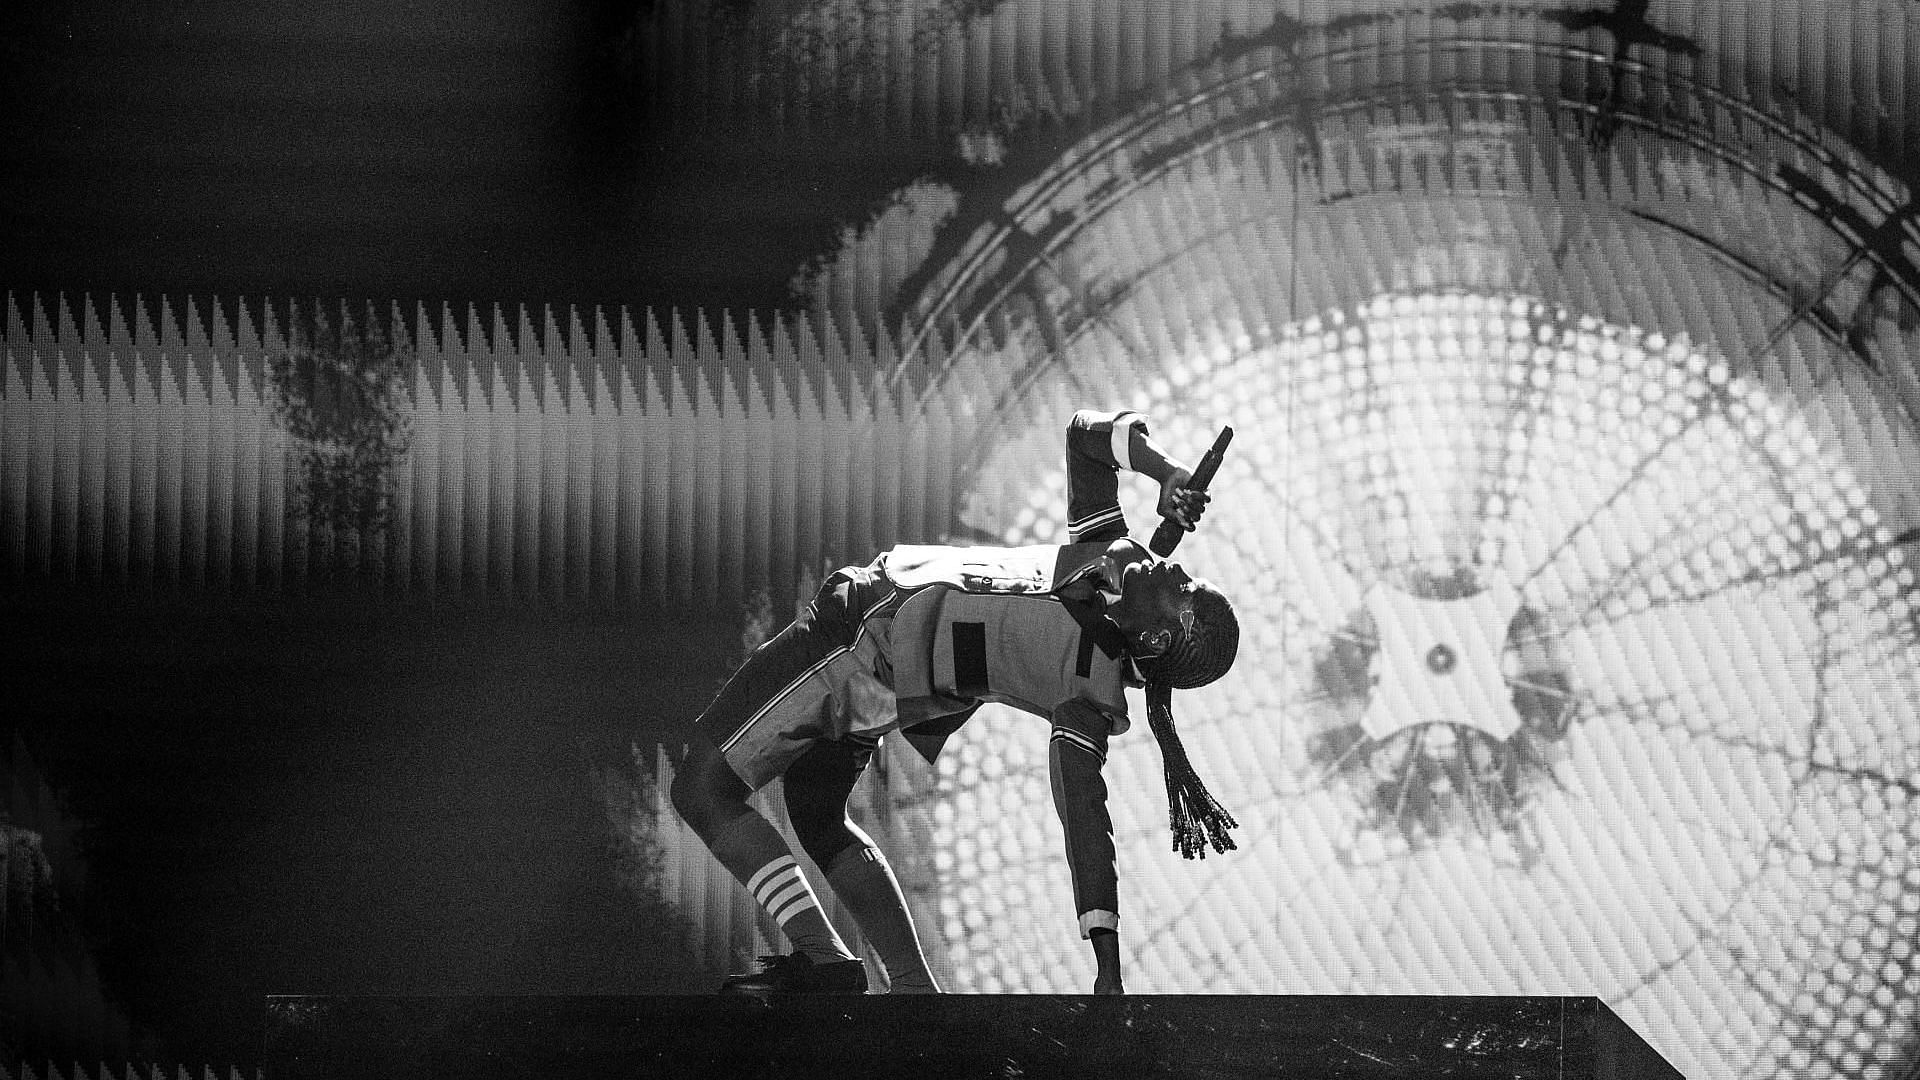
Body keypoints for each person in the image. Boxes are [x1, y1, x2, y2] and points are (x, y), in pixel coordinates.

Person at [668, 408, 1241, 996]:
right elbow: (1083, 435)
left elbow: (1087, 827)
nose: (1177, 569)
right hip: (893, 681)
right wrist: (1165, 470)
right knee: (816, 807)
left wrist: (1109, 971)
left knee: (702, 785)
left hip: (865, 630)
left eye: (1184, 590)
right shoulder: (1108, 553)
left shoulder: (1087, 697)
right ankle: (915, 990)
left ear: (1154, 639)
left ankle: (824, 961)